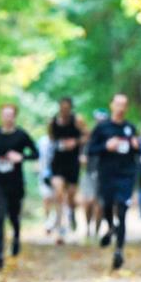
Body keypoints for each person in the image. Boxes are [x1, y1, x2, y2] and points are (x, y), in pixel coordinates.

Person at [87, 93, 140, 270]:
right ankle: (110, 228)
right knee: (107, 205)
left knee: (123, 210)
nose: (121, 107)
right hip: (106, 175)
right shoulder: (102, 128)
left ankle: (119, 251)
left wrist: (136, 146)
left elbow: (138, 152)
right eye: (118, 104)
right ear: (112, 105)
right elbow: (90, 150)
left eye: (124, 104)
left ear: (127, 107)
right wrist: (106, 146)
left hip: (126, 175)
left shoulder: (130, 128)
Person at [0, 104, 39, 270]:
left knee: (14, 217)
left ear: (15, 116)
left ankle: (16, 237)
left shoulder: (21, 135)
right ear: (1, 116)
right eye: (5, 114)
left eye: (11, 115)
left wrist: (21, 156)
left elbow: (36, 153)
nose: (8, 118)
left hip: (16, 184)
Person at [49, 97, 88, 242]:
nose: (64, 110)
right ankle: (60, 229)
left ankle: (71, 212)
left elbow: (87, 136)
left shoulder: (77, 120)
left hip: (73, 162)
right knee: (59, 193)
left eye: (67, 108)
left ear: (70, 108)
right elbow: (51, 138)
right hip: (58, 161)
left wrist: (75, 142)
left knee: (71, 195)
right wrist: (60, 144)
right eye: (62, 107)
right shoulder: (52, 122)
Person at [79, 108, 108, 238]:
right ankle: (87, 228)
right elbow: (82, 154)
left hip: (104, 175)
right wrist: (82, 158)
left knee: (100, 204)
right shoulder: (89, 138)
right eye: (98, 120)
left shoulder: (109, 138)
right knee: (88, 202)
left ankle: (96, 231)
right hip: (89, 173)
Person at [37, 131, 55, 233]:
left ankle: (53, 222)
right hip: (43, 174)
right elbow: (37, 154)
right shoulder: (42, 141)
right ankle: (47, 220)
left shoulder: (58, 140)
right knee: (47, 198)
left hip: (57, 173)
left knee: (56, 199)